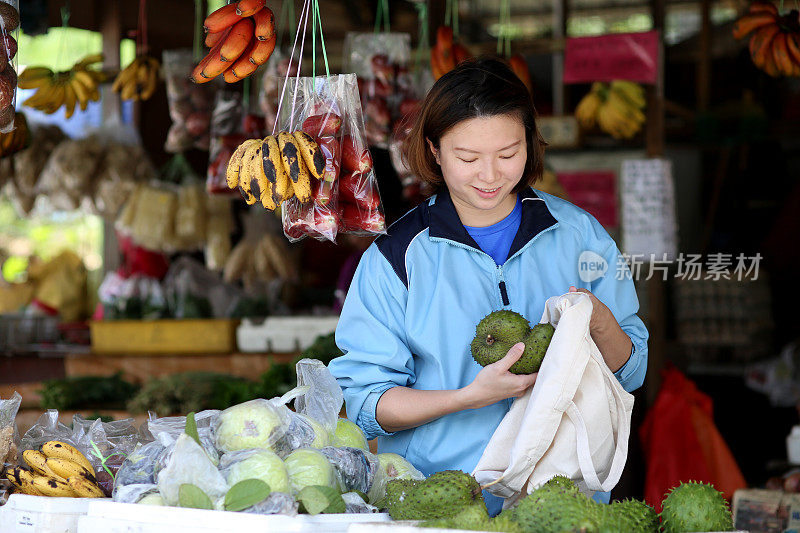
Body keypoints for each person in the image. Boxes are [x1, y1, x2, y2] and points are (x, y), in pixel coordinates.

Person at [328, 57, 648, 515]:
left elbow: (630, 372)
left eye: (508, 153)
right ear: (435, 151)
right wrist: (467, 398)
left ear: (530, 144)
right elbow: (365, 401)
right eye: (468, 158)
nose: (490, 175)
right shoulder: (396, 258)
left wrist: (597, 319)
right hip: (439, 505)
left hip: (561, 506)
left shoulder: (581, 236)